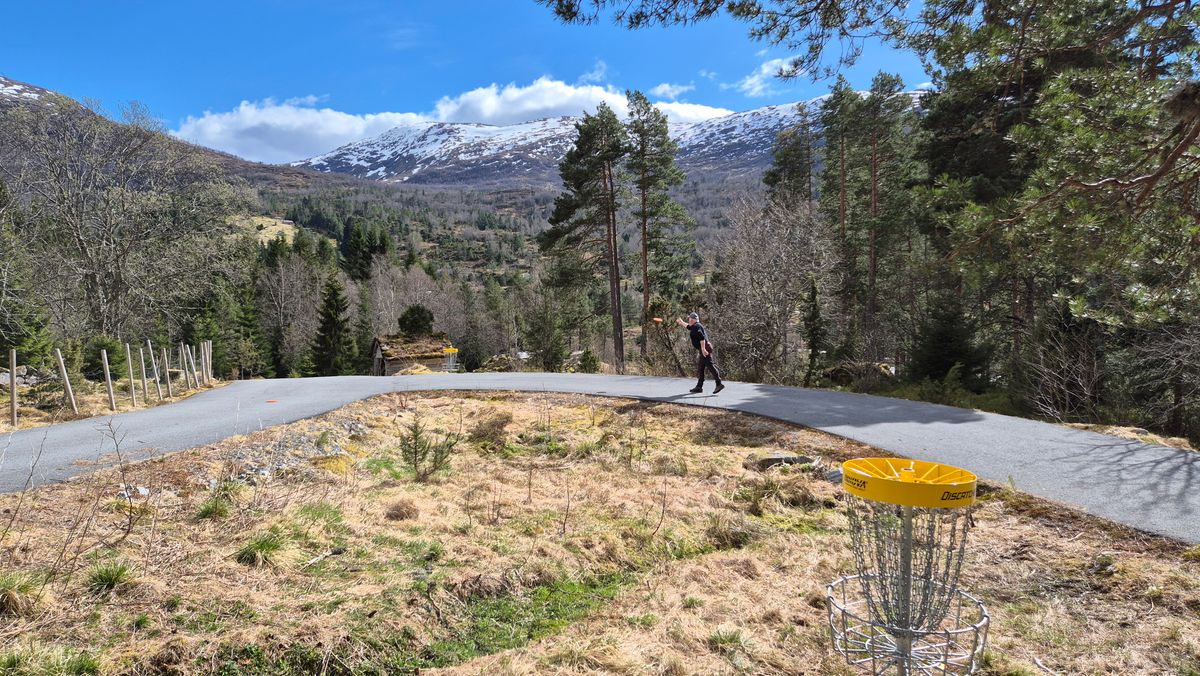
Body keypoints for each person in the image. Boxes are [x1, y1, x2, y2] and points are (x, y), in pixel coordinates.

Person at [676, 312, 723, 394]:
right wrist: (681, 322)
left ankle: (719, 383)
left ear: (692, 319)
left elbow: (702, 338)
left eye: (689, 318)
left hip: (705, 348)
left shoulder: (697, 326)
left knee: (710, 365)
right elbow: (688, 327)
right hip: (704, 348)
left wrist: (703, 349)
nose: (688, 319)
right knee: (701, 368)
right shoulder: (694, 326)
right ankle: (699, 387)